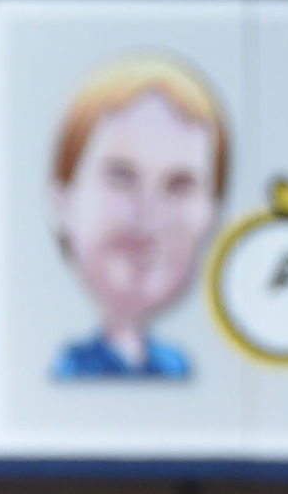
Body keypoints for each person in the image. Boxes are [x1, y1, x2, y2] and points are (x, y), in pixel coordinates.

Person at [49, 53, 228, 379]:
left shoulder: (176, 367)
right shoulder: (68, 370)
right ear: (63, 200)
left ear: (210, 216)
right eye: (121, 178)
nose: (149, 216)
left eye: (179, 185)